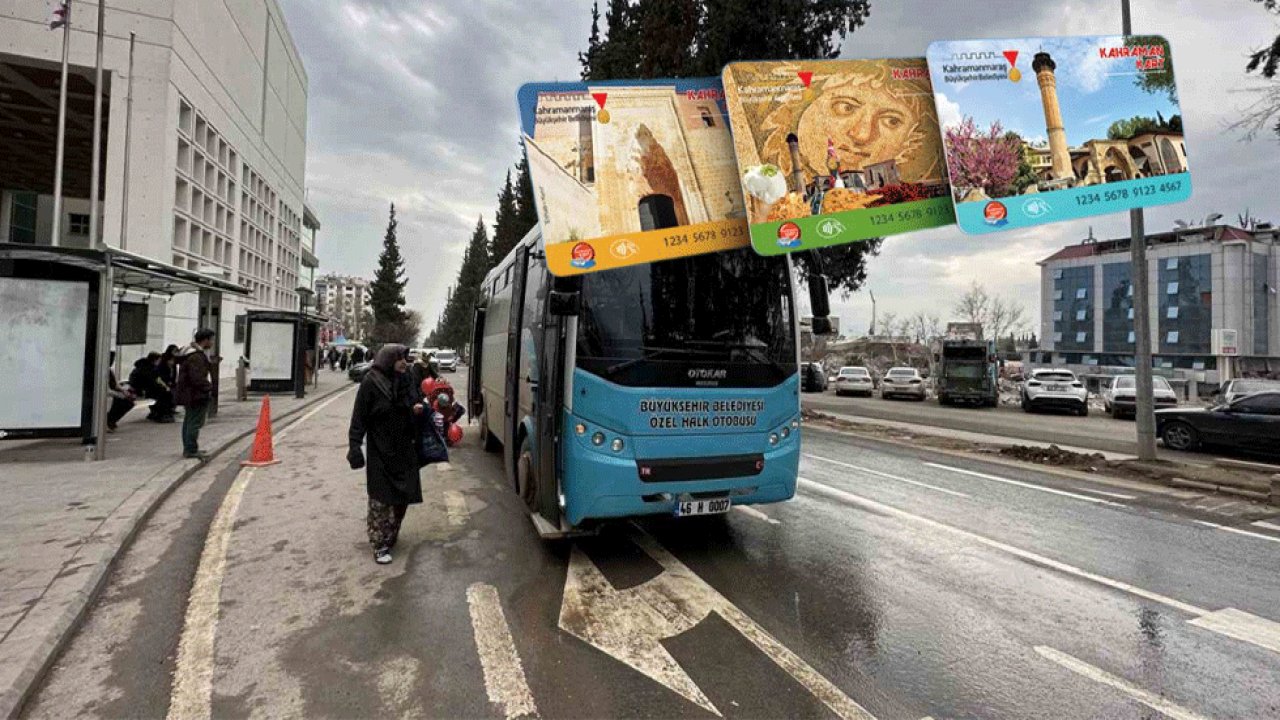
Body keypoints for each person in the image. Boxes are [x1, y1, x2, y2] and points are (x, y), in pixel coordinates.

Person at [348, 344, 425, 565]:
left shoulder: (406, 379)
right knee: (380, 500)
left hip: (404, 449)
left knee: (403, 496)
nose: (404, 362)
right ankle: (379, 543)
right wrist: (354, 446)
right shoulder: (371, 383)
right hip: (380, 450)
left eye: (405, 358)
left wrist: (417, 410)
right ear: (389, 359)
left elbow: (414, 402)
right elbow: (359, 418)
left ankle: (391, 534)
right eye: (400, 358)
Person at [175, 329, 219, 460]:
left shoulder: (193, 354)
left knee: (189, 420)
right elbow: (197, 377)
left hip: (190, 393)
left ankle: (189, 448)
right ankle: (191, 449)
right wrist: (209, 388)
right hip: (195, 394)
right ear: (205, 340)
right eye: (211, 339)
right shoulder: (196, 357)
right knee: (194, 422)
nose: (212, 342)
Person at [130, 352, 175, 422]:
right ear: (155, 360)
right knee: (165, 394)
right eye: (159, 360)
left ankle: (156, 412)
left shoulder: (144, 366)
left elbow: (156, 380)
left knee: (165, 392)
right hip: (142, 390)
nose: (159, 362)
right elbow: (153, 381)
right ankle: (161, 415)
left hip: (142, 388)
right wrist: (165, 387)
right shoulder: (148, 369)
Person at [106, 351, 136, 432]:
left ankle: (111, 420)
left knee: (129, 401)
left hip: (111, 393)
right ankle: (109, 420)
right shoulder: (103, 371)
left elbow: (115, 384)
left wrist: (124, 391)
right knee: (125, 402)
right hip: (108, 395)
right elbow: (107, 389)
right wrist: (121, 394)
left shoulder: (109, 371)